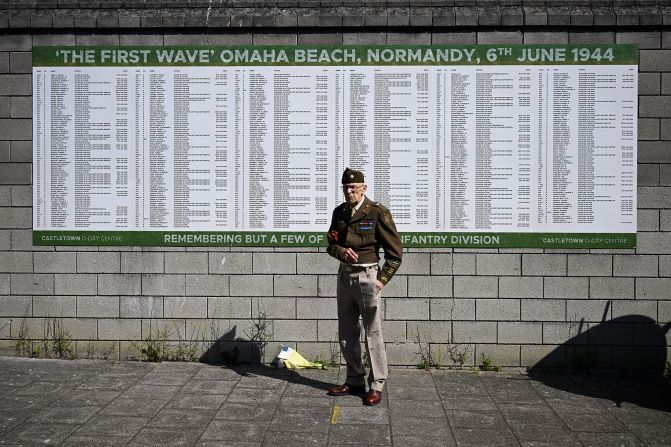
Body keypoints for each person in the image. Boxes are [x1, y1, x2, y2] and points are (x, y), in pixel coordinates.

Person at [325, 167, 403, 406]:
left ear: (363, 189)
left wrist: (380, 280)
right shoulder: (340, 212)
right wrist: (340, 250)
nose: (349, 192)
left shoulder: (378, 213)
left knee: (373, 332)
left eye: (353, 188)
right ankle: (354, 379)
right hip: (345, 278)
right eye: (345, 188)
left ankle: (377, 383)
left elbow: (395, 253)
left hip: (368, 276)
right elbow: (330, 243)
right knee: (347, 333)